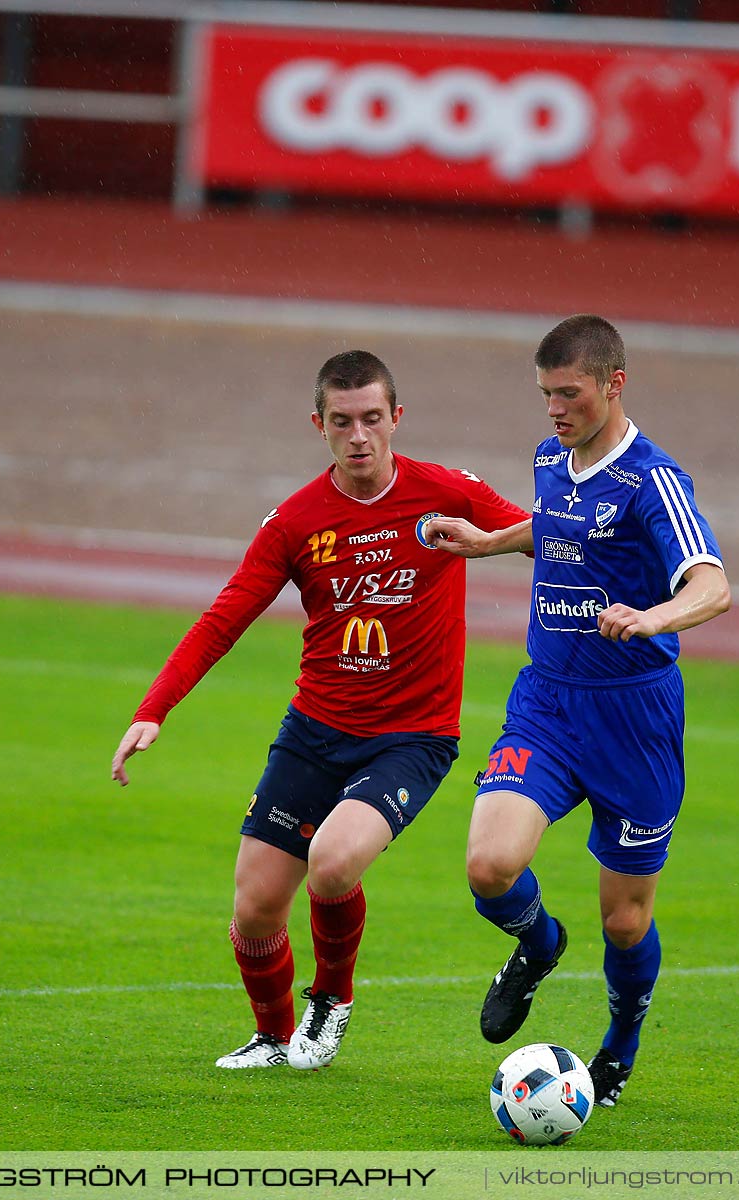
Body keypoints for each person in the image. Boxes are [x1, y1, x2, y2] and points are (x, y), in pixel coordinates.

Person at [111, 350, 527, 1071]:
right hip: (315, 731)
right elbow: (226, 616)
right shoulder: (296, 521)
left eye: (372, 418)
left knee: (333, 864)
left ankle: (331, 1002)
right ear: (319, 425)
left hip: (411, 738)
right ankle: (273, 1040)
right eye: (343, 421)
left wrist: (496, 541)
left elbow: (543, 535)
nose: (359, 434)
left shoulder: (447, 492)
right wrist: (155, 709)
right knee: (254, 908)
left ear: (397, 418)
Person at [425, 315, 731, 1108]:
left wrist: (651, 618)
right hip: (548, 705)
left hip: (636, 722)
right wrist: (486, 541)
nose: (555, 409)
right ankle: (539, 944)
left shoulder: (654, 479)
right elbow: (559, 532)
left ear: (613, 383)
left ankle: (619, 1050)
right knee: (489, 866)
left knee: (626, 923)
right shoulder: (550, 461)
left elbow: (713, 585)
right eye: (545, 395)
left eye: (570, 393)